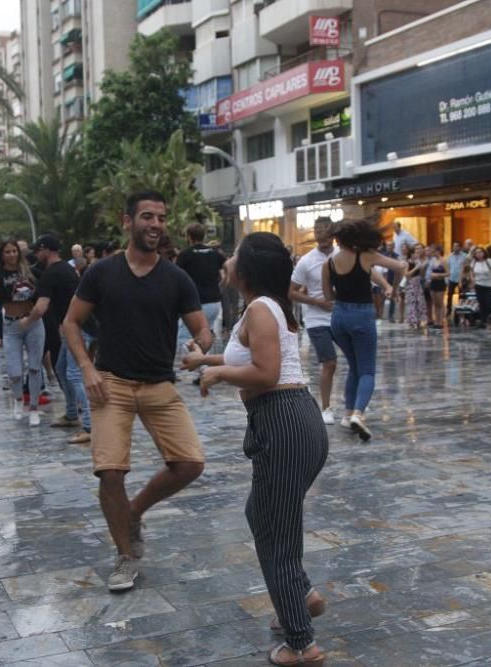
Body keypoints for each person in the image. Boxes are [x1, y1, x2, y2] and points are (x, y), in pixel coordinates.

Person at [182, 232, 329, 666]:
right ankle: (303, 594)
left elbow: (265, 374)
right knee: (263, 517)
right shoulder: (266, 307)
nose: (226, 258)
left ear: (246, 270)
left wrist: (219, 376)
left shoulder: (261, 309)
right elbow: (255, 361)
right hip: (292, 422)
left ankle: (302, 644)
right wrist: (204, 362)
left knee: (274, 536)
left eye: (235, 254)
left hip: (283, 422)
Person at [62, 190, 211, 592]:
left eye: (161, 218)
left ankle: (134, 511)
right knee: (110, 471)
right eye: (147, 216)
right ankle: (125, 556)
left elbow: (203, 328)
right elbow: (70, 324)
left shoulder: (176, 278)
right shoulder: (102, 273)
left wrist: (200, 346)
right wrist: (87, 367)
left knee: (190, 463)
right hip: (111, 383)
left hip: (160, 383)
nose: (156, 225)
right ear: (127, 222)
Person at [321, 215, 405, 441]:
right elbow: (400, 266)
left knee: (353, 367)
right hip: (362, 315)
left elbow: (328, 296)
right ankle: (359, 413)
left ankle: (348, 414)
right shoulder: (366, 256)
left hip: (339, 317)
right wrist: (393, 288)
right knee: (367, 370)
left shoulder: (328, 263)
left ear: (338, 240)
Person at [0, 236, 45, 424]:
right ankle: (18, 400)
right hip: (11, 325)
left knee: (35, 368)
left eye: (14, 251)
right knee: (14, 372)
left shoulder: (29, 270)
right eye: (7, 251)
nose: (11, 255)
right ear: (2, 255)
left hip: (34, 322)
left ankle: (34, 407)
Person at [28, 234, 81, 429]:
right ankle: (71, 412)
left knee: (73, 373)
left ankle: (88, 422)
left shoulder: (51, 274)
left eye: (37, 250)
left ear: (46, 250)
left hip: (71, 327)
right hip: (75, 324)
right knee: (61, 368)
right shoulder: (68, 269)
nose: (35, 254)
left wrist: (26, 322)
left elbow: (41, 307)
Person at [289, 217, 337, 424]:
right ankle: (326, 407)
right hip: (317, 319)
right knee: (329, 362)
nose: (322, 237)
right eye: (318, 233)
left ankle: (355, 406)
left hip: (343, 316)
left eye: (326, 233)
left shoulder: (344, 256)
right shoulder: (307, 260)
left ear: (333, 234)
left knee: (355, 361)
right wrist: (315, 301)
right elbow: (290, 292)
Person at [176, 222, 225, 354]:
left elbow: (176, 279)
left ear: (189, 237)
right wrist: (220, 287)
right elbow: (226, 272)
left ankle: (193, 369)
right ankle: (204, 367)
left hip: (195, 305)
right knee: (205, 335)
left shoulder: (185, 255)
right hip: (215, 302)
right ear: (203, 236)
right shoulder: (215, 254)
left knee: (183, 338)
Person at [469, 247, 491, 329]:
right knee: (481, 304)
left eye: (480, 252)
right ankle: (483, 321)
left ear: (484, 253)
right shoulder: (474, 262)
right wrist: (473, 280)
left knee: (490, 304)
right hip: (479, 285)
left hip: (490, 285)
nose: (478, 254)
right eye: (477, 252)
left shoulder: (489, 261)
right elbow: (471, 271)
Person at [403, 244, 427, 330]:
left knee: (419, 302)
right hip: (410, 284)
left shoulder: (418, 262)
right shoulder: (407, 262)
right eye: (415, 253)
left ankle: (419, 320)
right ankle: (412, 321)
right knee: (411, 303)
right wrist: (416, 268)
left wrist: (421, 268)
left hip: (418, 283)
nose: (416, 254)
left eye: (417, 252)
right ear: (411, 254)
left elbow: (421, 274)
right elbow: (406, 275)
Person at [426, 245, 447, 329]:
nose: (433, 253)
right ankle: (436, 320)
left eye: (434, 251)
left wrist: (438, 275)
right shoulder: (432, 261)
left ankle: (440, 321)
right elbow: (429, 271)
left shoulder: (443, 261)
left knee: (440, 303)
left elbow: (448, 273)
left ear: (439, 252)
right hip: (433, 282)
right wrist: (430, 277)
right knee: (435, 303)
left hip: (440, 282)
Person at [446, 242, 466, 318]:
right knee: (450, 294)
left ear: (460, 247)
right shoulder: (450, 256)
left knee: (461, 295)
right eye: (454, 246)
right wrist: (447, 279)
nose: (455, 248)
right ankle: (449, 309)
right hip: (452, 278)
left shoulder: (464, 256)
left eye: (457, 246)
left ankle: (461, 309)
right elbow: (448, 267)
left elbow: (466, 267)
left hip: (461, 278)